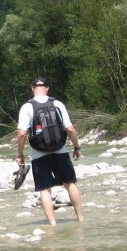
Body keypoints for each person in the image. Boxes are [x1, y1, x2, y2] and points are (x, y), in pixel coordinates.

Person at [17, 78, 84, 225]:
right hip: (60, 150)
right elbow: (70, 129)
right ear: (47, 88)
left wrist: (20, 154)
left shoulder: (26, 107)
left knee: (45, 190)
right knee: (70, 183)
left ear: (32, 88)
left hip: (38, 154)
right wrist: (77, 147)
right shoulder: (57, 104)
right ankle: (80, 219)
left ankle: (52, 225)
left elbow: (22, 134)